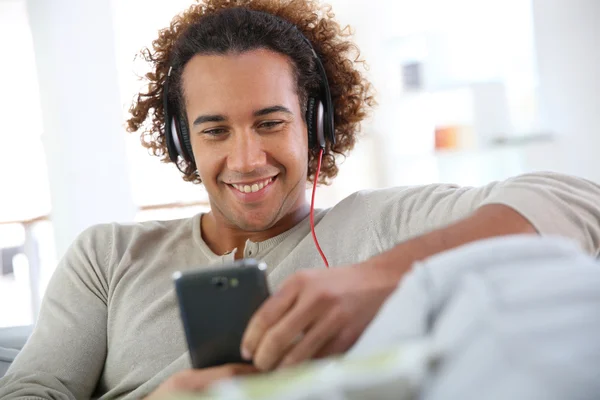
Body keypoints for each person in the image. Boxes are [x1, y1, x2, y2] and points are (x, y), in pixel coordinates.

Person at [1, 0, 600, 399]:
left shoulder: (378, 226)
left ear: (314, 125)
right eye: (214, 131)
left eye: (270, 122)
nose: (245, 160)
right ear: (183, 140)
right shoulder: (108, 256)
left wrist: (382, 278)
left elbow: (578, 203)